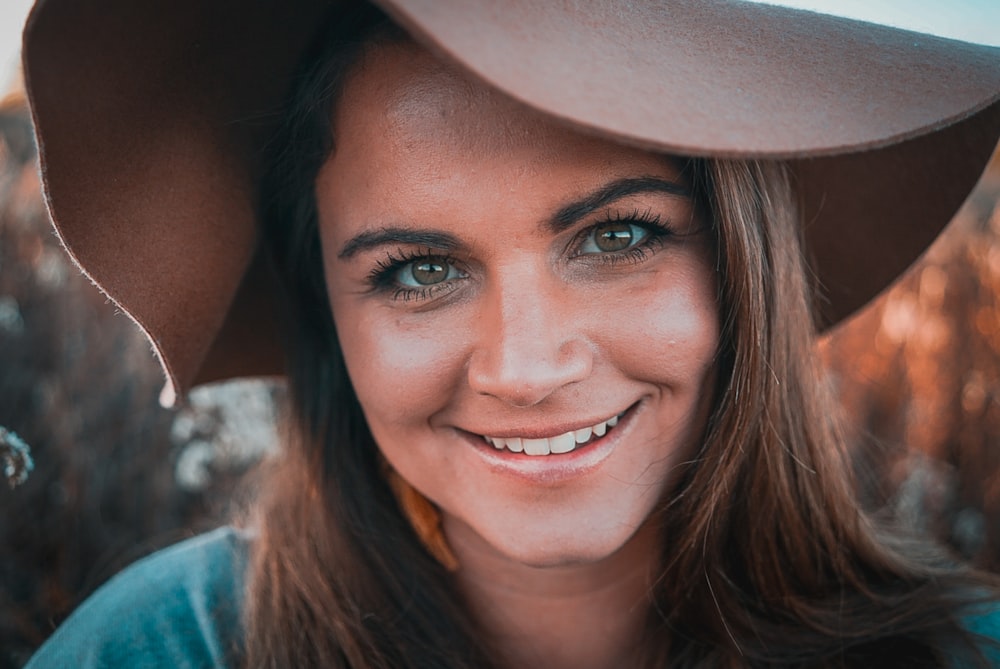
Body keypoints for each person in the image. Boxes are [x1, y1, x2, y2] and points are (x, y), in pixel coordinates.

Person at [21, 0, 1000, 667]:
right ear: (326, 309)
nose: (528, 367)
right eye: (420, 272)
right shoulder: (163, 650)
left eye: (617, 237)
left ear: (742, 269)